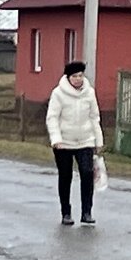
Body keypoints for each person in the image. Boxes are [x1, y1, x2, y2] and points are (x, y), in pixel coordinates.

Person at [45, 59, 103, 226]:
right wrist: (56, 139)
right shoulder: (58, 93)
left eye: (80, 75)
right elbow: (52, 118)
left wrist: (98, 140)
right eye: (75, 76)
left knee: (87, 174)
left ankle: (87, 212)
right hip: (64, 142)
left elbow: (94, 117)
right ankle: (66, 213)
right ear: (68, 77)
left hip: (85, 140)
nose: (78, 79)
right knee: (66, 176)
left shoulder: (89, 93)